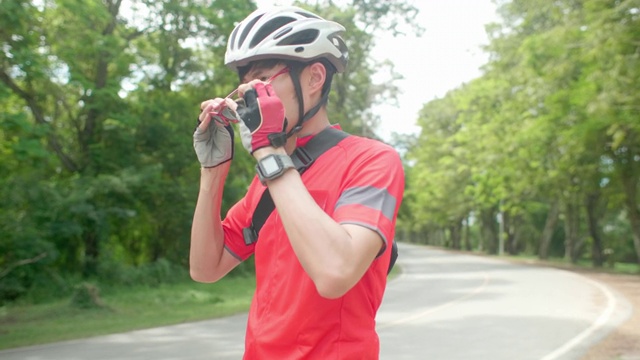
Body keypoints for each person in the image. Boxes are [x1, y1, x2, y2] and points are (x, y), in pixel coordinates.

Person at [190, 6, 405, 359]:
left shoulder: (371, 160)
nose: (249, 96)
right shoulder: (270, 179)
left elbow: (336, 273)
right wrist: (212, 172)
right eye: (245, 85)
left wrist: (268, 153)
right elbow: (205, 268)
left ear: (314, 77)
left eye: (261, 80)